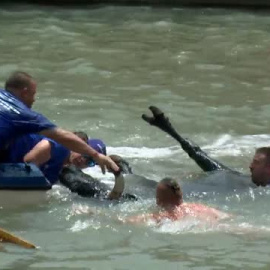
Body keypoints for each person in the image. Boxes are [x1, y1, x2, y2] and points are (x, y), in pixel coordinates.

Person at [0, 71, 118, 173]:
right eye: (33, 94)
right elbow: (61, 136)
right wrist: (95, 155)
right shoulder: (23, 114)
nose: (34, 99)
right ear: (24, 93)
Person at [142, 106, 270, 187]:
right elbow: (201, 158)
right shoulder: (241, 178)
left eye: (256, 163)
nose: (250, 166)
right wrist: (170, 130)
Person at [125, 178, 229, 224]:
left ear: (159, 200)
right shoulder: (201, 207)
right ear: (181, 194)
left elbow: (131, 221)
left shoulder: (164, 215)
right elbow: (228, 217)